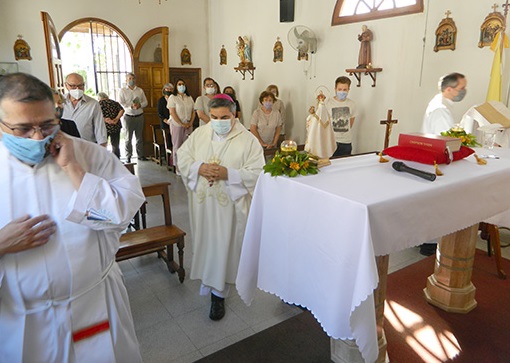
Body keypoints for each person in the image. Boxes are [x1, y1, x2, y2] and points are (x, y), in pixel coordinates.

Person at [0, 72, 144, 362]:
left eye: (47, 124)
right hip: (24, 321)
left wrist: (74, 169)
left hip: (95, 304)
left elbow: (120, 216)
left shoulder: (90, 155)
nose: (38, 137)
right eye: (23, 129)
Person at [177, 94, 264, 321]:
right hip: (204, 206)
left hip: (230, 209)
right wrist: (200, 167)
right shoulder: (201, 133)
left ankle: (219, 294)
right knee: (208, 244)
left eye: (224, 117)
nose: (218, 121)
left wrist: (229, 174)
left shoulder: (248, 140)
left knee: (225, 248)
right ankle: (210, 283)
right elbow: (182, 157)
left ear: (234, 115)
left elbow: (258, 173)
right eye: (214, 117)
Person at [419, 72, 467, 256]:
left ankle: (426, 239)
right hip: (438, 160)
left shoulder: (440, 103)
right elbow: (445, 140)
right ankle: (429, 243)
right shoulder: (440, 109)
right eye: (461, 88)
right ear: (449, 89)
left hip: (434, 159)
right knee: (437, 204)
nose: (463, 91)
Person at [62, 73, 107, 145]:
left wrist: (102, 151)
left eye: (80, 85)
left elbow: (100, 129)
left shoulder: (93, 104)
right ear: (66, 85)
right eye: (73, 86)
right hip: (64, 148)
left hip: (87, 148)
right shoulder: (59, 102)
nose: (77, 89)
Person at [118, 72, 148, 163]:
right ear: (126, 80)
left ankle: (140, 155)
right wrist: (130, 106)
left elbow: (145, 102)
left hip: (139, 116)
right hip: (128, 116)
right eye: (129, 79)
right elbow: (121, 102)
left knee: (139, 137)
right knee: (128, 138)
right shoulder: (122, 91)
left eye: (133, 78)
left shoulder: (140, 90)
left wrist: (140, 105)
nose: (131, 80)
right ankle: (128, 156)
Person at [167, 78, 195, 174]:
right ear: (176, 86)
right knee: (177, 146)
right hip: (177, 125)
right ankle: (178, 167)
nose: (181, 86)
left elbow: (193, 111)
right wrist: (181, 123)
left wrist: (190, 122)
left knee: (187, 146)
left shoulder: (189, 97)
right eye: (179, 84)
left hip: (188, 124)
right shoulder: (173, 97)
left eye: (183, 84)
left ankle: (186, 166)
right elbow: (172, 112)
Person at [327, 76, 357, 157]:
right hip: (331, 141)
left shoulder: (352, 104)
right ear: (335, 89)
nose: (342, 92)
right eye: (339, 89)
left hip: (346, 142)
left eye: (345, 90)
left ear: (348, 90)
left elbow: (351, 122)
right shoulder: (328, 103)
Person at [98, 92, 124, 158]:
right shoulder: (114, 102)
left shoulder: (99, 104)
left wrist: (106, 120)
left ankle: (104, 159)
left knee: (103, 144)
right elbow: (122, 110)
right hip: (116, 125)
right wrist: (116, 119)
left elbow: (97, 115)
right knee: (115, 144)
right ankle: (117, 159)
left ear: (99, 98)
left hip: (105, 127)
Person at [157, 83, 174, 150]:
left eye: (170, 89)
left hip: (174, 122)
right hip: (165, 123)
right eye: (167, 89)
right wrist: (166, 121)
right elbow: (160, 113)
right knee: (167, 140)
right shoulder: (161, 100)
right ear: (164, 90)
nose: (169, 90)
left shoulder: (175, 99)